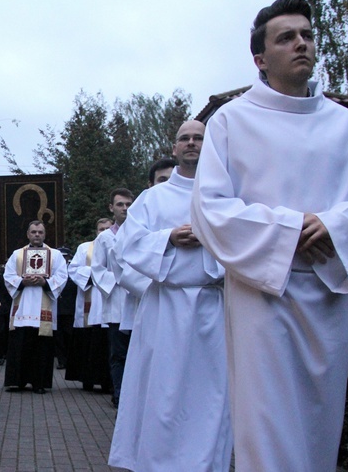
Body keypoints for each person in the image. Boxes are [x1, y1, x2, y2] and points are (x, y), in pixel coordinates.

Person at [190, 0, 348, 470]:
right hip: (263, 296)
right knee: (268, 425)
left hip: (328, 294)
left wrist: (336, 225)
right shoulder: (231, 122)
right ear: (260, 59)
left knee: (319, 429)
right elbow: (210, 210)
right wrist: (291, 228)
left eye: (306, 34)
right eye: (286, 37)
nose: (301, 43)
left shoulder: (346, 125)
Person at [109, 120, 232, 471]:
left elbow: (245, 240)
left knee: (209, 397)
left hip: (211, 307)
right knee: (161, 395)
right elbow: (125, 247)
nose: (192, 143)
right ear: (175, 147)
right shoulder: (152, 198)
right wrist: (168, 238)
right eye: (185, 138)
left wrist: (210, 240)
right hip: (165, 306)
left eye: (199, 138)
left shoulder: (225, 194)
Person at [3, 220, 68, 393]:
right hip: (22, 308)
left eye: (40, 232)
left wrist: (45, 282)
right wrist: (21, 281)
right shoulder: (17, 254)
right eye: (33, 232)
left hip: (43, 308)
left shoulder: (55, 255)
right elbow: (8, 275)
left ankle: (39, 383)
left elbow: (62, 276)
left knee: (42, 348)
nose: (37, 235)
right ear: (28, 234)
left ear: (45, 234)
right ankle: (18, 381)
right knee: (20, 345)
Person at [91, 188, 137, 408]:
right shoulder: (104, 238)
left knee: (141, 352)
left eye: (129, 204)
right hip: (117, 301)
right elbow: (97, 269)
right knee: (119, 354)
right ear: (111, 208)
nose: (125, 208)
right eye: (120, 204)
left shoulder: (140, 231)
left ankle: (137, 395)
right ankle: (119, 394)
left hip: (139, 300)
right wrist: (121, 278)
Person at [65, 219, 113, 392]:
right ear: (96, 231)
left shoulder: (119, 245)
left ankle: (109, 381)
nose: (104, 231)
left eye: (108, 228)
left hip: (111, 299)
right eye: (101, 229)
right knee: (89, 342)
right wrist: (96, 275)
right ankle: (88, 379)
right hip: (91, 298)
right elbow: (73, 269)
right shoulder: (85, 248)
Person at [54, 246, 76, 369]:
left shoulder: (72, 270)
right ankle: (61, 360)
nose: (63, 259)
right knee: (58, 337)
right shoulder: (54, 270)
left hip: (69, 308)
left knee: (69, 335)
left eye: (65, 256)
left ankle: (70, 360)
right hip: (57, 308)